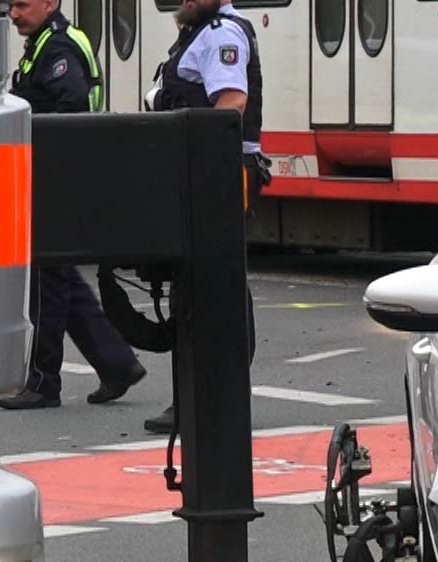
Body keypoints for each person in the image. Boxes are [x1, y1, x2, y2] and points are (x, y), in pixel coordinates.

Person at [0, 0, 147, 412]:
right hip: (54, 178)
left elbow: (69, 113)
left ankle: (44, 382)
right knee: (61, 280)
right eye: (12, 5)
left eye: (23, 5)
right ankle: (116, 364)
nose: (14, 13)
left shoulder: (58, 49)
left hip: (56, 179)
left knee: (47, 283)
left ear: (50, 3)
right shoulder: (45, 43)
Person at [142, 0, 268, 435]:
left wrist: (197, 158)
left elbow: (230, 103)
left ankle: (215, 396)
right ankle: (205, 396)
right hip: (206, 171)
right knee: (203, 284)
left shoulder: (220, 33)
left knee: (214, 285)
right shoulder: (200, 31)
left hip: (219, 173)